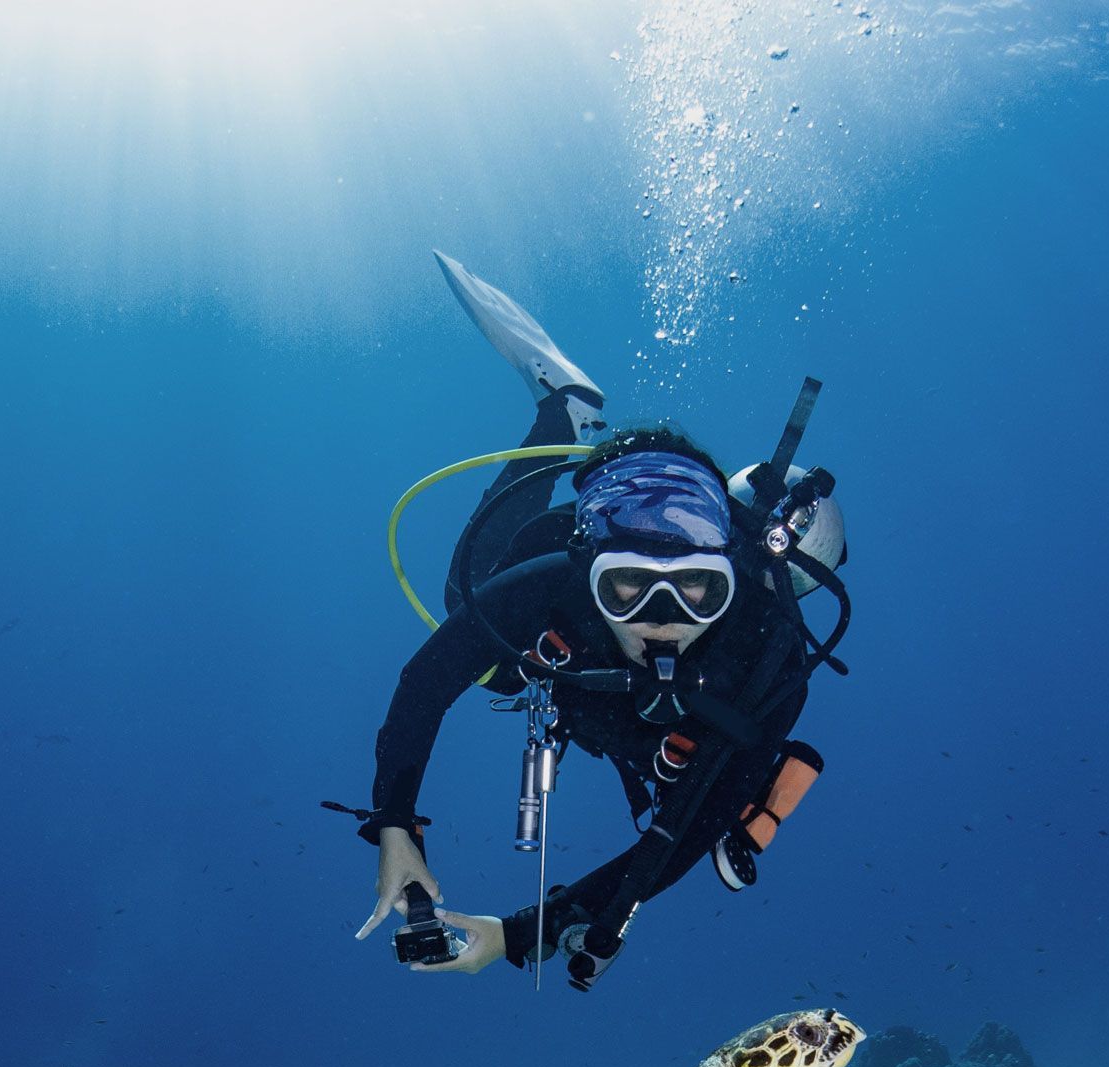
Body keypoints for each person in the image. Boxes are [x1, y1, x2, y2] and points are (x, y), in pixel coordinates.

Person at [355, 253, 848, 992]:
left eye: (695, 593)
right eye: (628, 588)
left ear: (732, 587)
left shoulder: (764, 661)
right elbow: (428, 678)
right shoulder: (553, 586)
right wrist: (395, 824)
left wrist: (521, 934)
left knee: (687, 772)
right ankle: (566, 413)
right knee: (474, 613)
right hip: (570, 645)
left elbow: (687, 831)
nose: (662, 623)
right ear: (588, 577)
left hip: (648, 718)